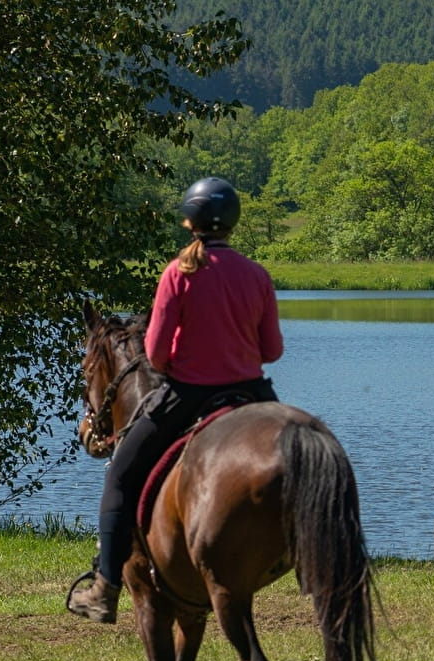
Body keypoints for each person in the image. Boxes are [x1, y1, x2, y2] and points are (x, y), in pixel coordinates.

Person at [67, 177, 283, 624]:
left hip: (189, 395)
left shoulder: (178, 273)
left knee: (121, 478)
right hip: (252, 393)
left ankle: (105, 588)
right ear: (233, 223)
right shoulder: (257, 275)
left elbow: (159, 353)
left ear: (190, 222)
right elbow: (272, 351)